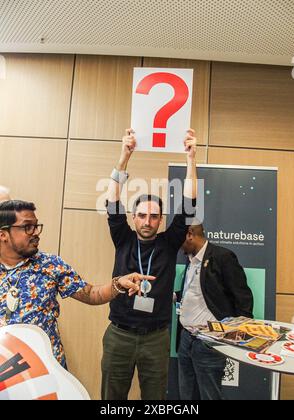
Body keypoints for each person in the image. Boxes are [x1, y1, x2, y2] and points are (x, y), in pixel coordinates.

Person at [102, 128, 197, 400]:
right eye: (142, 215)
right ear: (133, 218)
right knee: (112, 398)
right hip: (119, 333)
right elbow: (112, 202)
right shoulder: (123, 239)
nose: (147, 221)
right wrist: (123, 158)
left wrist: (191, 159)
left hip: (156, 338)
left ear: (161, 219)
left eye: (154, 217)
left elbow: (189, 206)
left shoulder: (169, 242)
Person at [0, 200, 153, 368]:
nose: (36, 233)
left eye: (36, 226)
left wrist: (119, 284)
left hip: (47, 369)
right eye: (27, 227)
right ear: (3, 234)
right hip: (5, 373)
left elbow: (91, 293)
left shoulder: (50, 264)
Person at [176, 222, 254, 400]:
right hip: (186, 339)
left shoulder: (223, 257)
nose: (176, 244)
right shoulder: (191, 259)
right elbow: (198, 292)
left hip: (209, 343)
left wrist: (238, 334)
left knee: (210, 396)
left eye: (178, 237)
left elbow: (243, 298)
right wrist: (175, 295)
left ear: (189, 234)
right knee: (186, 395)